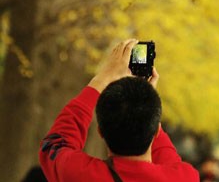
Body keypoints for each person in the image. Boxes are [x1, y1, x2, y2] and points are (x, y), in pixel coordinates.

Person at [39, 39, 199, 181]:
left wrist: (102, 78)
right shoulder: (185, 177)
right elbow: (170, 163)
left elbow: (55, 143)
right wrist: (147, 103)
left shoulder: (78, 174)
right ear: (155, 131)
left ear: (101, 131)